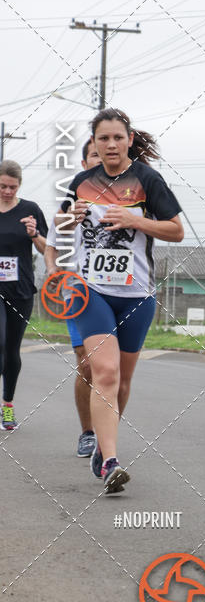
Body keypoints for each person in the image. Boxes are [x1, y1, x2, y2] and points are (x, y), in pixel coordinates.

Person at [58, 109, 183, 493]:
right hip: (90, 290)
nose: (110, 145)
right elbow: (60, 224)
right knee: (105, 373)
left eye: (117, 138)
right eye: (102, 139)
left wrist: (137, 221)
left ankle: (102, 446)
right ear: (93, 143)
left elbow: (176, 230)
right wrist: (71, 217)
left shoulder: (148, 180)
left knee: (123, 381)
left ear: (129, 140)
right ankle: (110, 460)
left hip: (136, 295)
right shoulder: (81, 181)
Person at [44, 138, 102, 457]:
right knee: (88, 364)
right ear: (83, 165)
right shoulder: (69, 207)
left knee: (111, 369)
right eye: (94, 154)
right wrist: (53, 269)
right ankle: (88, 433)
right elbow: (52, 245)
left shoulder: (127, 201)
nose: (101, 159)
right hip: (79, 292)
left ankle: (107, 430)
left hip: (117, 294)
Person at [0, 160, 48, 431]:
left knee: (12, 350)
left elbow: (46, 249)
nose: (7, 191)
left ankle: (7, 405)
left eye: (12, 187)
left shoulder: (30, 210)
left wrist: (33, 234)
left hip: (20, 291)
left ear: (19, 186)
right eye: (3, 186)